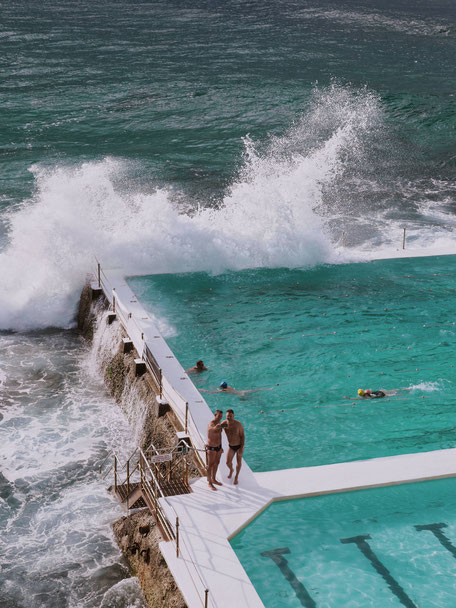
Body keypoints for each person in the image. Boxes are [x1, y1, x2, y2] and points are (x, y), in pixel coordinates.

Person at [205, 410, 228, 491]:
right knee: (210, 465)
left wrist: (221, 447)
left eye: (221, 417)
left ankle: (214, 479)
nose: (220, 418)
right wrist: (217, 427)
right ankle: (209, 483)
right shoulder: (211, 424)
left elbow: (219, 436)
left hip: (218, 447)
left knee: (216, 463)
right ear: (215, 415)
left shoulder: (220, 425)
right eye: (219, 416)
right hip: (211, 448)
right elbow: (212, 430)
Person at [224, 409, 245, 485]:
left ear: (233, 416)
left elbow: (242, 436)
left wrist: (241, 448)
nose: (229, 417)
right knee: (227, 462)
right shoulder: (225, 423)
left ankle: (236, 476)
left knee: (238, 462)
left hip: (239, 446)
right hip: (231, 446)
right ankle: (231, 470)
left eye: (230, 416)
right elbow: (217, 429)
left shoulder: (238, 424)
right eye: (227, 416)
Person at [200, 381, 274, 397]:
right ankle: (268, 389)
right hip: (242, 392)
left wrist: (204, 390)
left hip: (241, 395)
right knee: (255, 391)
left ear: (222, 387)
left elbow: (213, 392)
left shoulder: (224, 390)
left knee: (251, 400)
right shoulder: (229, 387)